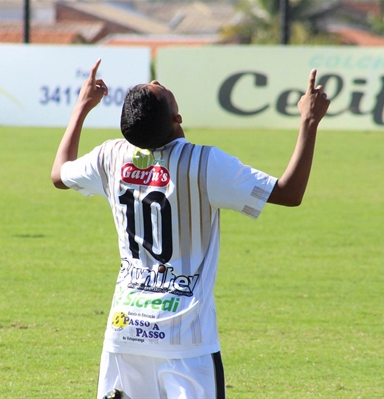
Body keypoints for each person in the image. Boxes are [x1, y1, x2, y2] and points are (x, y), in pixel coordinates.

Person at [51, 58, 330, 399]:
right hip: (186, 341)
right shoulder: (205, 164)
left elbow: (58, 174)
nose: (156, 79)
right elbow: (290, 192)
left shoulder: (111, 156)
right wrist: (310, 120)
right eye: (161, 90)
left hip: (125, 332)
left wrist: (81, 108)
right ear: (176, 118)